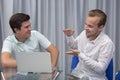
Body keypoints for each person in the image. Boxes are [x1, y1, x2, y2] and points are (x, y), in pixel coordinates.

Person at [63, 9, 114, 80]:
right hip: (78, 75)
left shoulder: (106, 43)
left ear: (101, 27)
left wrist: (81, 54)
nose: (86, 28)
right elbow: (74, 45)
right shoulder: (84, 33)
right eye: (85, 24)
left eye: (90, 26)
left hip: (94, 77)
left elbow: (100, 69)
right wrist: (69, 36)